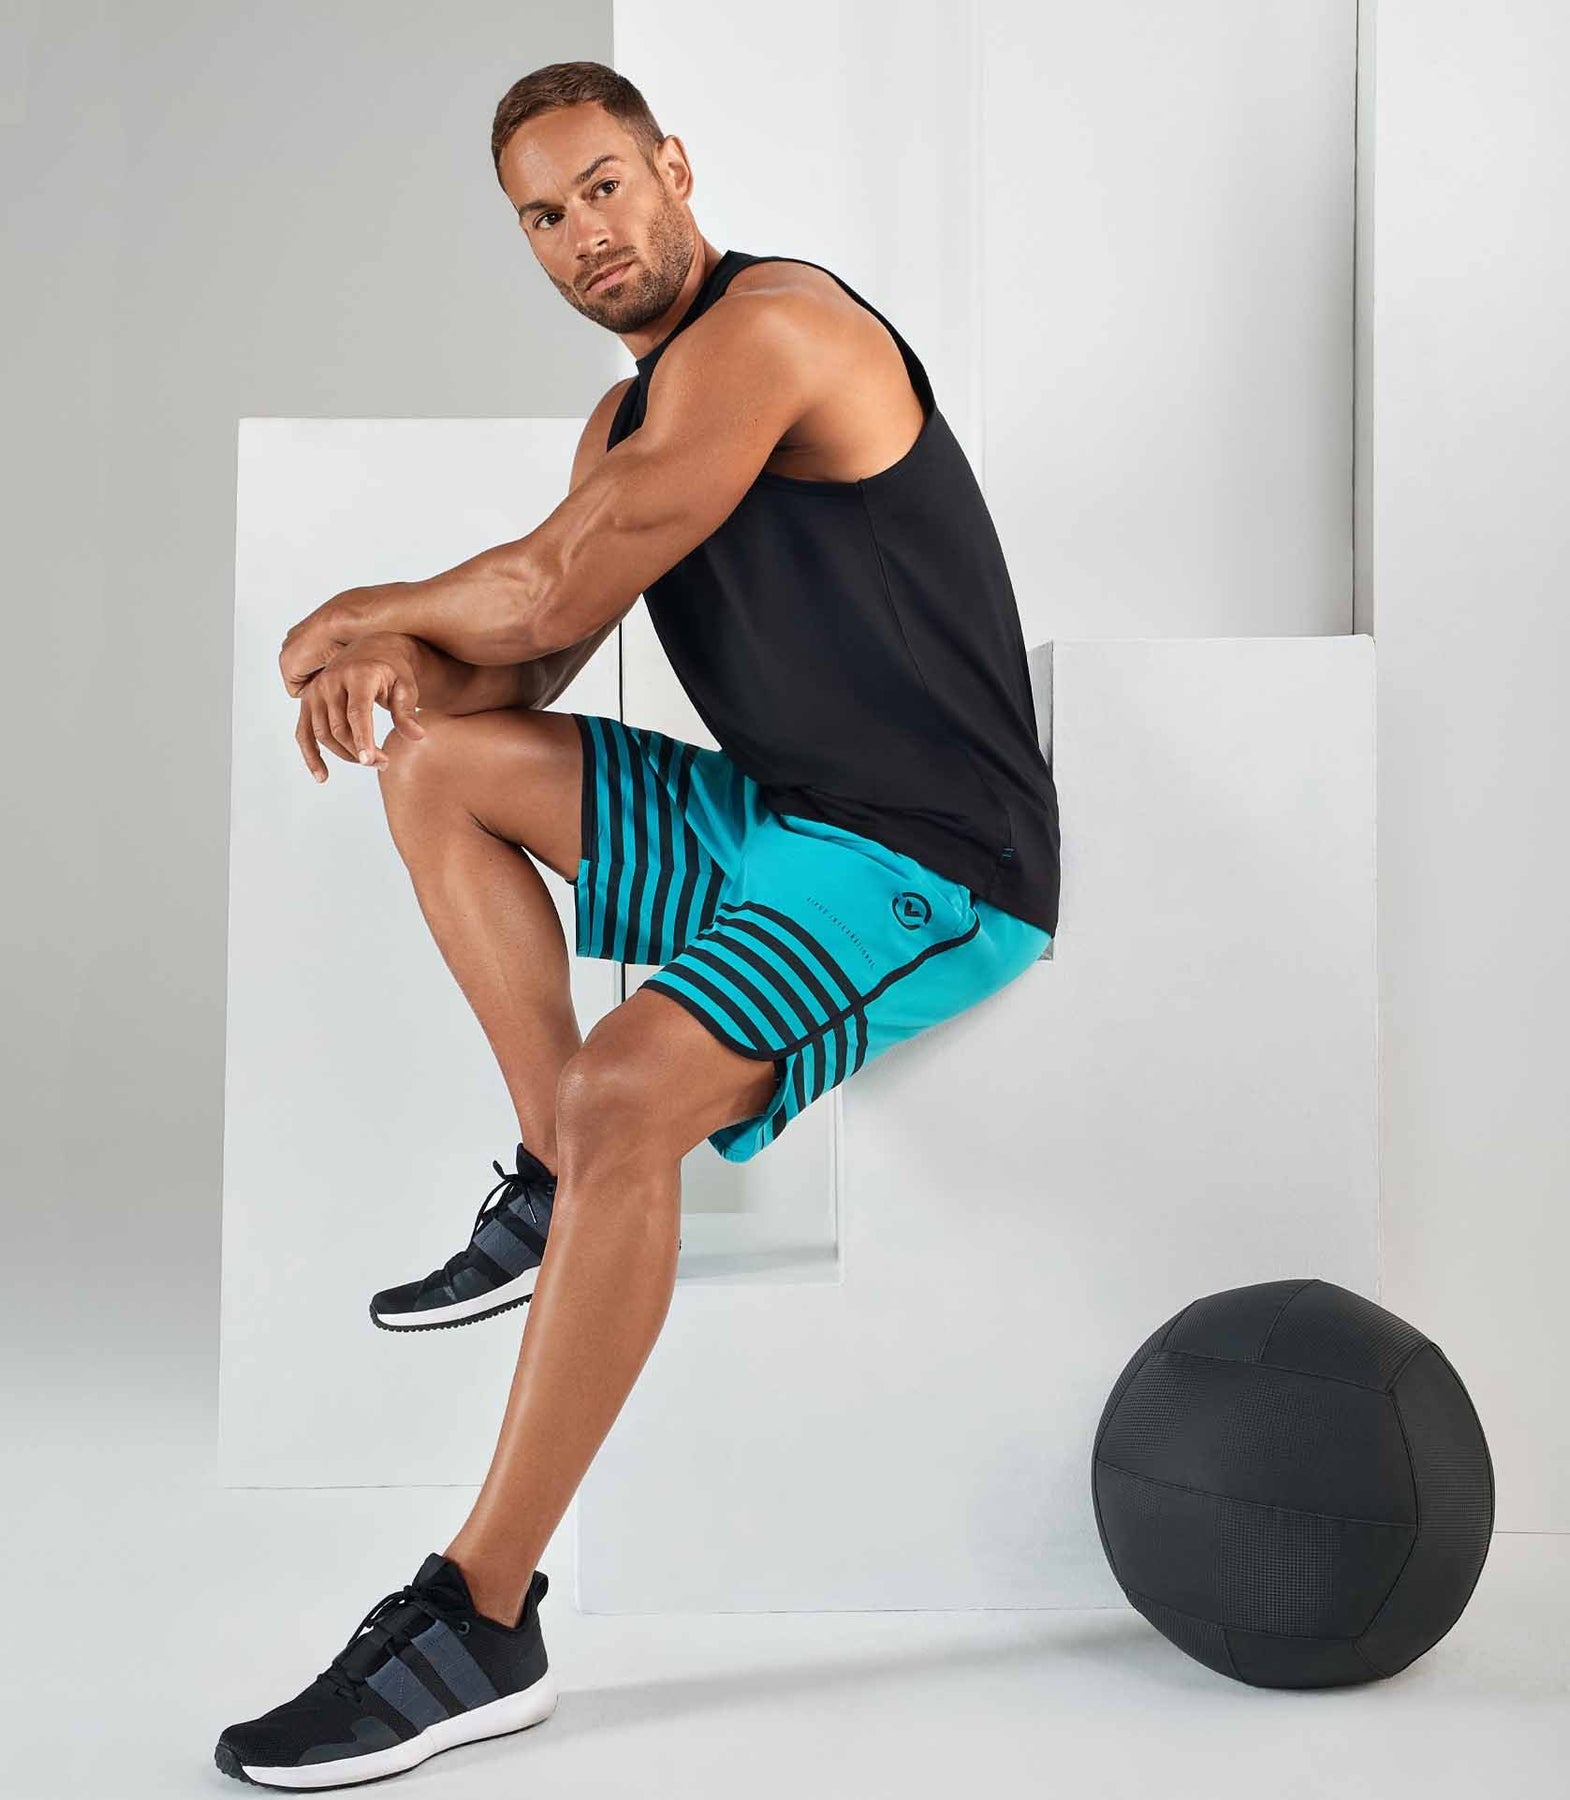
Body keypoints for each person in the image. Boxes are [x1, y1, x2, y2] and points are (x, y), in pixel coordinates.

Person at [215, 57, 1061, 1791]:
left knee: (627, 1092)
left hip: (924, 854)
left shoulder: (777, 331)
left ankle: (479, 1617)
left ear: (671, 167)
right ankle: (555, 1175)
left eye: (602, 186)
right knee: (438, 765)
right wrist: (395, 671)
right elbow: (525, 660)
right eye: (542, 216)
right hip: (773, 824)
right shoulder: (621, 428)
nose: (583, 234)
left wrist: (356, 611)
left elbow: (543, 582)